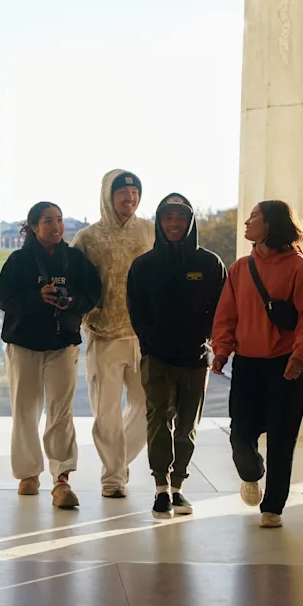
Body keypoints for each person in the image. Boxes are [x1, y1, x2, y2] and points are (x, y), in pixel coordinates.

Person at [211, 200, 303, 528]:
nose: (246, 222)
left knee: (282, 440)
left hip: (286, 366)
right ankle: (251, 472)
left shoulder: (299, 269)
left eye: (254, 217)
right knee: (240, 434)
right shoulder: (241, 268)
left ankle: (273, 506)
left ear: (270, 224)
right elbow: (227, 314)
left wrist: (299, 355)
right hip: (247, 366)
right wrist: (221, 350)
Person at [0, 202, 102, 509]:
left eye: (58, 220)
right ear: (32, 226)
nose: (56, 226)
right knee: (25, 411)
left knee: (61, 411)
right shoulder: (19, 261)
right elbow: (4, 299)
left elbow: (94, 294)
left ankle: (61, 478)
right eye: (48, 221)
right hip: (24, 344)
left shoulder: (75, 259)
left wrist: (72, 302)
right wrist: (36, 297)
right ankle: (28, 474)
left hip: (63, 342)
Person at [127, 193, 227, 519]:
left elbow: (222, 309)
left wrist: (208, 339)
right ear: (159, 222)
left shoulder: (209, 264)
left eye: (180, 218)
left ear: (189, 222)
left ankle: (178, 487)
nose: (173, 224)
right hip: (156, 357)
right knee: (158, 420)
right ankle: (160, 488)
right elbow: (136, 311)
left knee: (186, 426)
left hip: (196, 359)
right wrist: (150, 341)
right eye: (168, 218)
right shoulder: (143, 266)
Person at [71, 169, 154, 498]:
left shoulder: (150, 232)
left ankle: (118, 462)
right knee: (105, 413)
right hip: (103, 336)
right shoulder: (87, 238)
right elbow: (75, 282)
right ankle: (113, 478)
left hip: (143, 335)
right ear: (108, 194)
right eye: (122, 192)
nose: (129, 198)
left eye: (134, 193)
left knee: (148, 407)